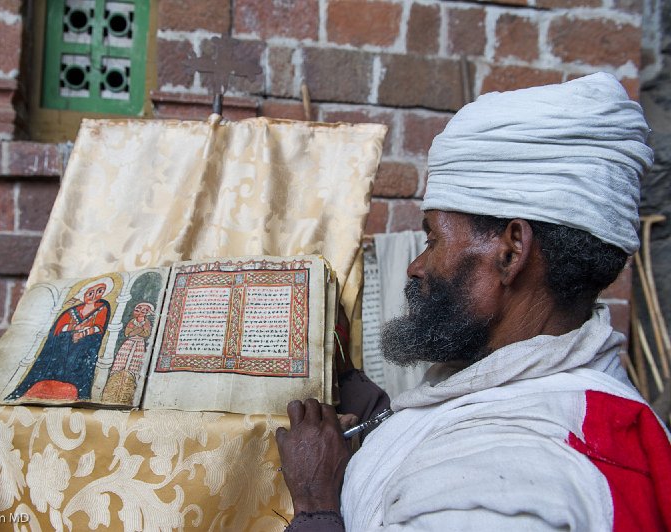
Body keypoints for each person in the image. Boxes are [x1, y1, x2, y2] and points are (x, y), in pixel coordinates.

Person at [275, 73, 671, 530]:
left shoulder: (505, 485)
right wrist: (343, 373)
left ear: (511, 251)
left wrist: (316, 505)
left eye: (433, 238)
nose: (415, 266)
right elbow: (428, 427)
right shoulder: (533, 385)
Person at [7, 278, 112, 401]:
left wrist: (84, 333)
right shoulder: (72, 311)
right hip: (65, 346)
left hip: (84, 348)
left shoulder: (102, 308)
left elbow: (99, 327)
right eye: (90, 293)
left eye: (99, 291)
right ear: (84, 295)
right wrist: (72, 329)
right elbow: (58, 328)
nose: (94, 295)